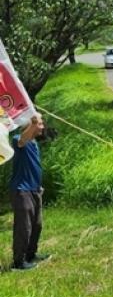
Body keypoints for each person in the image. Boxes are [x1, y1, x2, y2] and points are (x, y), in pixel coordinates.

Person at [10, 114, 50, 271]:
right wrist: (33, 121)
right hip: (22, 191)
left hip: (35, 190)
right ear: (30, 125)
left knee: (37, 225)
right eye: (39, 124)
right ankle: (18, 262)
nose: (42, 126)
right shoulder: (19, 139)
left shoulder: (33, 143)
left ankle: (31, 254)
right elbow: (21, 141)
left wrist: (39, 186)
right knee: (24, 227)